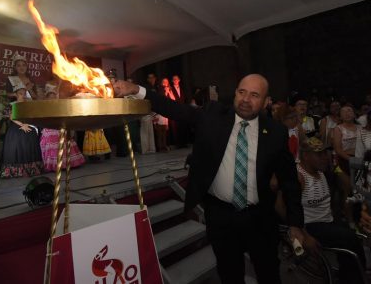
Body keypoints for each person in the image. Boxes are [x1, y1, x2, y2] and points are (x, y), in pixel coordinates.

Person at [113, 74, 313, 284]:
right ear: (235, 93)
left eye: (254, 95)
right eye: (242, 92)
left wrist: (295, 224)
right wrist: (136, 89)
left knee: (268, 273)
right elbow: (175, 109)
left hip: (260, 219)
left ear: (265, 101)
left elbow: (289, 181)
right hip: (221, 217)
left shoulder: (275, 132)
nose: (245, 99)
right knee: (229, 275)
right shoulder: (213, 115)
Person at [298, 137, 366, 284]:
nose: (325, 158)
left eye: (325, 153)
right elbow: (283, 207)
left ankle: (350, 276)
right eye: (319, 154)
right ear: (305, 155)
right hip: (311, 225)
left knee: (353, 238)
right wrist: (303, 234)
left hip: (327, 221)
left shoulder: (321, 171)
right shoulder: (299, 177)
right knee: (350, 239)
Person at [0, 84, 43, 178]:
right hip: (16, 128)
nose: (23, 95)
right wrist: (22, 125)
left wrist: (28, 124)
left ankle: (30, 170)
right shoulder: (12, 104)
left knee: (29, 146)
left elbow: (33, 116)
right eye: (20, 93)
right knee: (16, 148)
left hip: (28, 126)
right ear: (16, 94)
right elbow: (11, 117)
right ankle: (15, 171)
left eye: (24, 93)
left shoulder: (28, 104)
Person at [40, 84, 85, 171]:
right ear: (47, 98)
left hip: (60, 126)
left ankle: (68, 163)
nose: (52, 98)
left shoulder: (59, 105)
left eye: (53, 96)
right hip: (50, 127)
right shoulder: (45, 106)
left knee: (65, 142)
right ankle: (55, 164)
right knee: (52, 143)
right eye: (50, 97)